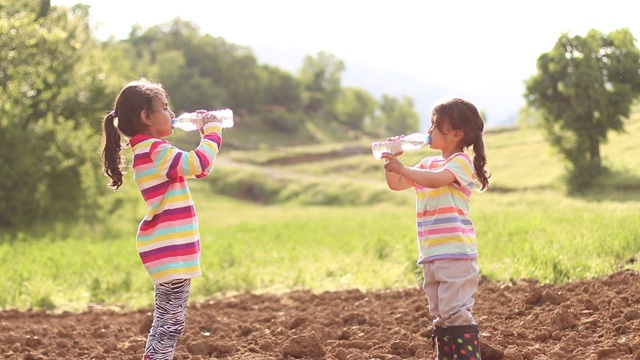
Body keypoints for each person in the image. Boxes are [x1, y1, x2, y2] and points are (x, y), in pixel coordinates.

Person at [101, 78, 223, 360]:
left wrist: (205, 141)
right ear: (146, 117)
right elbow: (198, 163)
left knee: (167, 319)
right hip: (170, 250)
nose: (171, 114)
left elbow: (199, 170)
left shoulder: (149, 150)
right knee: (170, 322)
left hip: (168, 249)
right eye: (165, 108)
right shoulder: (154, 150)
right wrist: (213, 132)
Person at [380, 97, 490, 360]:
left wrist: (404, 168)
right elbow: (396, 183)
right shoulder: (429, 163)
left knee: (455, 310)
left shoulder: (461, 162)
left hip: (455, 253)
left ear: (456, 134)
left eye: (435, 127)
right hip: (431, 253)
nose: (428, 132)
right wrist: (392, 161)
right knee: (440, 313)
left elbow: (436, 181)